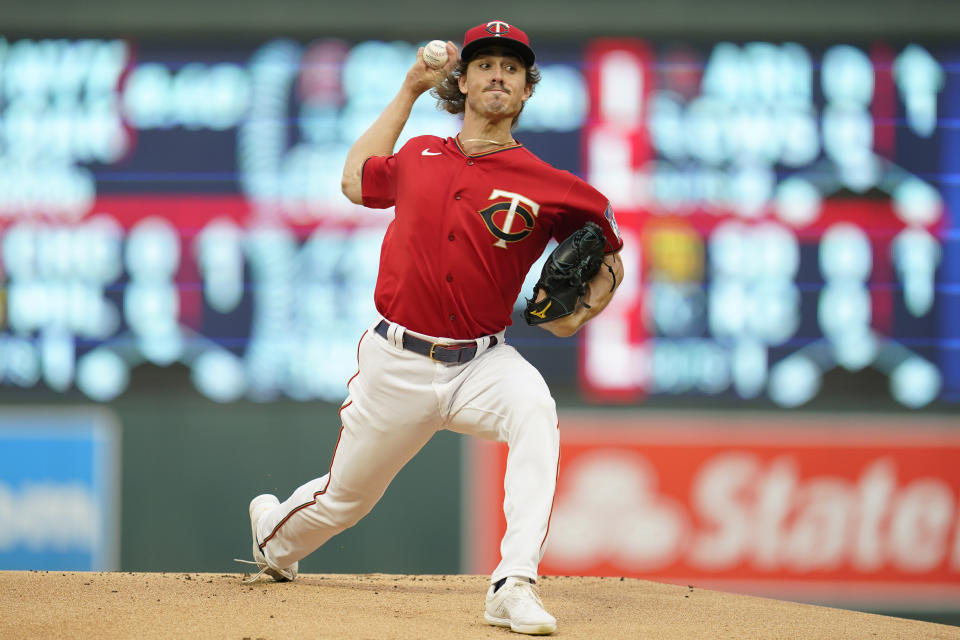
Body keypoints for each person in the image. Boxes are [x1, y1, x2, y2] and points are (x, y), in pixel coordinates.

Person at [242, 20, 624, 636]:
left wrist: (583, 312)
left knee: (535, 411)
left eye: (511, 68)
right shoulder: (419, 153)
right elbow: (354, 180)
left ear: (527, 91)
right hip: (395, 361)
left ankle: (513, 583)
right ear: (464, 82)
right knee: (345, 501)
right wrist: (409, 88)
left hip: (482, 361)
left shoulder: (553, 187)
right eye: (484, 65)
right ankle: (272, 538)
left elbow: (609, 255)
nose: (497, 74)